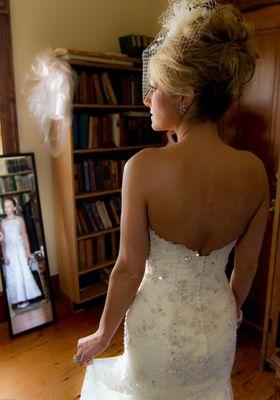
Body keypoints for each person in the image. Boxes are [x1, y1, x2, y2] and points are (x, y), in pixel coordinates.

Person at [75, 1, 270, 399]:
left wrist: (102, 335)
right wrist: (223, 309)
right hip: (216, 331)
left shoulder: (142, 168)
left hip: (158, 337)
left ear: (185, 94)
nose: (148, 98)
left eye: (155, 86)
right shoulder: (255, 172)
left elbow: (129, 270)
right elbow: (246, 268)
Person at [1, 197, 42, 310]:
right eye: (5, 206)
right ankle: (19, 299)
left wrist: (28, 252)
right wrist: (4, 255)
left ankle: (27, 297)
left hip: (20, 250)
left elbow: (24, 236)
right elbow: (3, 241)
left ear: (14, 207)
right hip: (10, 251)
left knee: (22, 272)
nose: (7, 209)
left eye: (9, 206)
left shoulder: (20, 220)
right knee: (14, 274)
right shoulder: (2, 223)